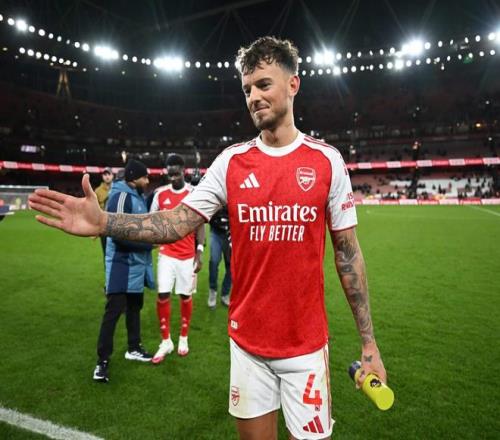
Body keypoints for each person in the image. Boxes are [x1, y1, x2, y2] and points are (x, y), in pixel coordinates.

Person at [29, 36, 387, 439]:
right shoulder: (231, 162)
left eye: (263, 84)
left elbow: (347, 255)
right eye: (247, 89)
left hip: (305, 346)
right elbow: (174, 222)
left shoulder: (326, 162)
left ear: (293, 84)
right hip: (248, 344)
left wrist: (369, 344)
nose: (254, 97)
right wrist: (104, 222)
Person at [93, 159, 155, 383]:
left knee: (134, 308)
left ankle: (133, 348)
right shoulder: (120, 197)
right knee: (113, 312)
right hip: (121, 264)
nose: (147, 181)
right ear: (133, 178)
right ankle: (102, 362)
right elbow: (118, 235)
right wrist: (149, 245)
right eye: (144, 177)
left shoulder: (137, 197)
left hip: (136, 265)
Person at [150, 154, 205, 363]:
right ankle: (166, 341)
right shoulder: (159, 194)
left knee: (184, 296)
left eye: (176, 172)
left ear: (183, 171)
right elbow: (152, 220)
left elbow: (200, 224)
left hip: (187, 256)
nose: (173, 176)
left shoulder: (193, 193)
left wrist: (199, 252)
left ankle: (183, 337)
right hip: (166, 254)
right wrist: (154, 238)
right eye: (170, 172)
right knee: (162, 295)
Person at [207, 205, 231, 308]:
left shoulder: (236, 198)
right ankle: (213, 291)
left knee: (231, 265)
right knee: (214, 261)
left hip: (231, 234)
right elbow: (209, 216)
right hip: (216, 233)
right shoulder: (218, 198)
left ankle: (225, 294)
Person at [94, 167, 114, 258]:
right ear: (102, 176)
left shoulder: (117, 189)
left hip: (116, 224)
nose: (107, 176)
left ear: (112, 176)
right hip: (104, 226)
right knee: (106, 253)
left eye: (109, 174)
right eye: (105, 174)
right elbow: (95, 210)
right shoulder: (97, 191)